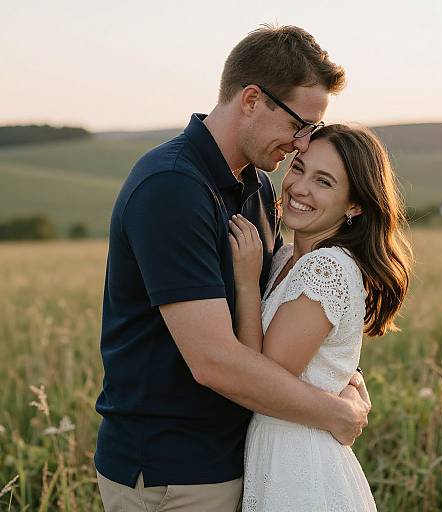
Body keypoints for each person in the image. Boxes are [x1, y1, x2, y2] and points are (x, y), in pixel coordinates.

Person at [94, 25, 371, 512]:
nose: (302, 144)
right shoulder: (173, 188)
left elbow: (280, 324)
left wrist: (337, 374)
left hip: (238, 457)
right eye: (299, 124)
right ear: (251, 100)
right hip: (171, 472)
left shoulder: (259, 191)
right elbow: (214, 360)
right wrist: (335, 412)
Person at [228, 124, 413, 511]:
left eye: (324, 182)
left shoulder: (326, 268)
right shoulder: (285, 258)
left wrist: (246, 284)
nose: (299, 187)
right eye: (298, 168)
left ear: (355, 205)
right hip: (276, 450)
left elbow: (261, 379)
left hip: (300, 464)